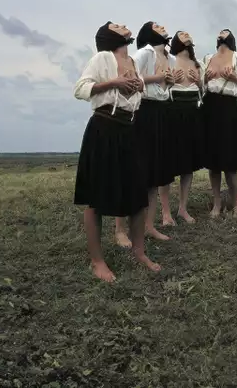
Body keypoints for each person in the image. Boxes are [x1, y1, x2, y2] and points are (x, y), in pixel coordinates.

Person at [73, 21, 161, 283]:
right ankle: (97, 261)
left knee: (137, 190)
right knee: (96, 197)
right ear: (110, 34)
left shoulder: (133, 62)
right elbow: (80, 89)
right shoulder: (102, 58)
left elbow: (134, 91)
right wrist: (113, 83)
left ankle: (139, 251)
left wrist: (137, 86)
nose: (124, 25)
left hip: (131, 128)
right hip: (105, 128)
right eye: (118, 24)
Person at [117, 21, 175, 243]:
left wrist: (170, 82)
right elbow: (132, 78)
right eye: (157, 26)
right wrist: (159, 78)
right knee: (135, 171)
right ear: (150, 33)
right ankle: (120, 229)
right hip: (143, 111)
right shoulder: (144, 53)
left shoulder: (169, 58)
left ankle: (149, 226)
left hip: (162, 111)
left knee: (155, 172)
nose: (162, 27)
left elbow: (164, 88)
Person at [201, 29, 237, 219]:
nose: (221, 34)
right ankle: (217, 203)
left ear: (232, 38)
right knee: (213, 160)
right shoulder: (208, 58)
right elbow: (198, 85)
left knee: (230, 160)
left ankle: (236, 204)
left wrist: (235, 79)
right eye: (219, 32)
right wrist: (205, 78)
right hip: (209, 106)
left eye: (225, 32)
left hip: (229, 107)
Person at [165, 30, 203, 224]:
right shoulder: (168, 59)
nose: (187, 34)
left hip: (193, 112)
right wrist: (171, 81)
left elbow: (204, 93)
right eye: (182, 33)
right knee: (168, 163)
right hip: (173, 111)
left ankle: (182, 208)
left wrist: (199, 82)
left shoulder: (198, 64)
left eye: (189, 33)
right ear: (176, 40)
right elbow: (160, 89)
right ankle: (165, 212)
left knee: (188, 164)